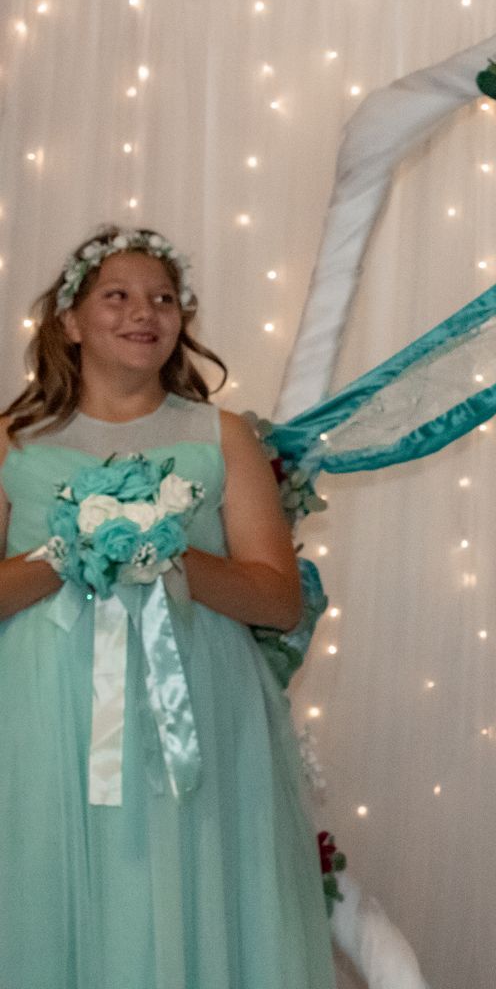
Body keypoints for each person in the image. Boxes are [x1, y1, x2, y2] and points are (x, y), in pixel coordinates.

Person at [0, 227, 335, 989]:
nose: (143, 312)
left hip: (192, 711)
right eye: (116, 295)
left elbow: (278, 601)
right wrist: (65, 552)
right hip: (41, 721)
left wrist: (171, 554)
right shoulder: (14, 443)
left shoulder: (219, 438)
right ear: (69, 320)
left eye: (162, 298)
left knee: (187, 889)